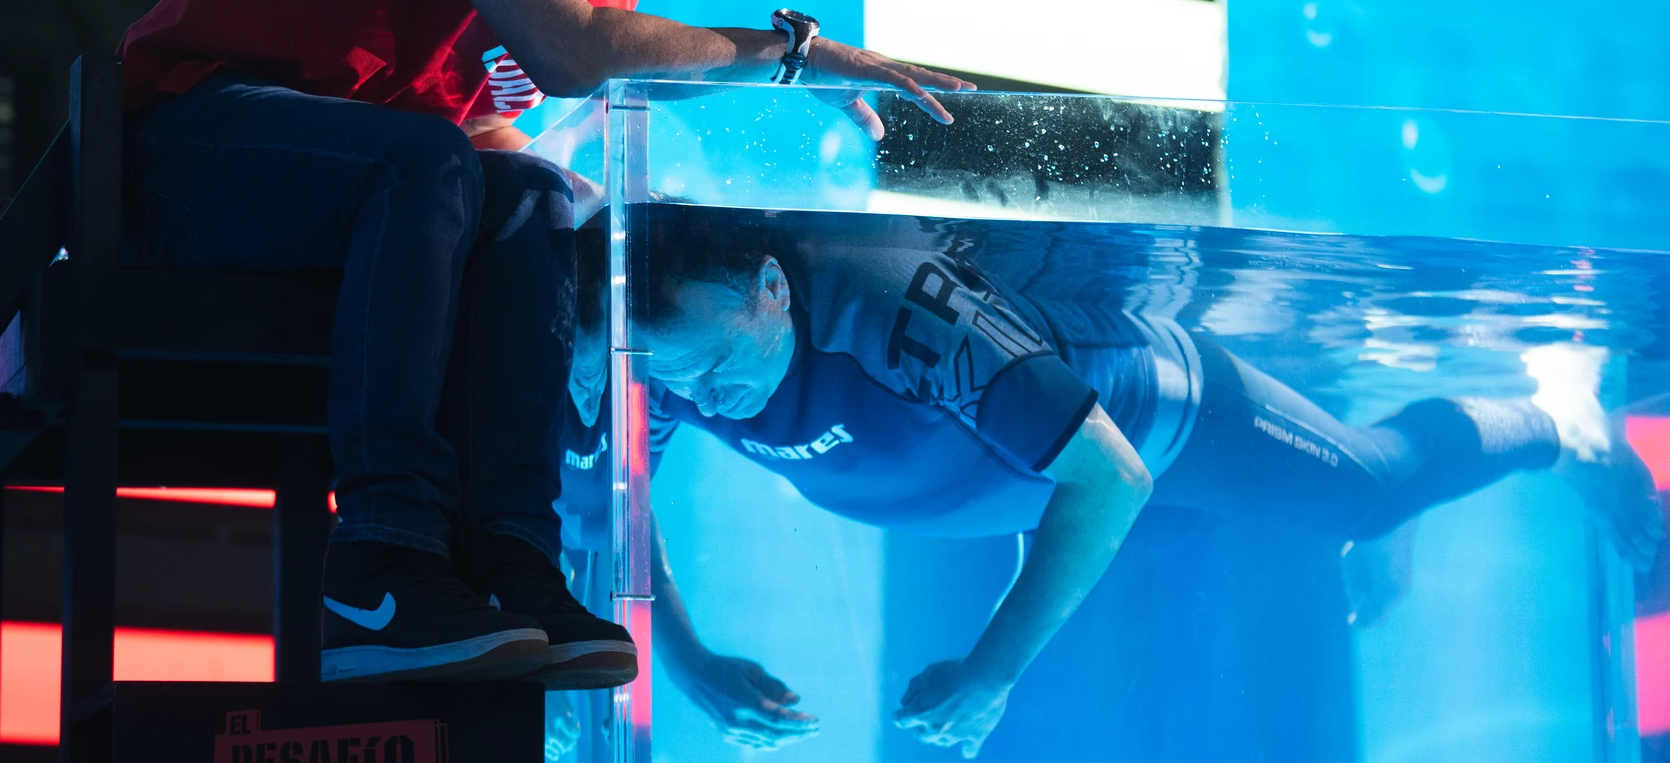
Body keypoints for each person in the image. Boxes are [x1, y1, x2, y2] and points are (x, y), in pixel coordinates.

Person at [116, 0, 969, 687]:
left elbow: (488, 126)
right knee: (434, 164)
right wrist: (788, 54)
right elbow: (569, 52)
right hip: (178, 152)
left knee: (533, 194)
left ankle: (514, 556)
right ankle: (379, 558)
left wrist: (587, 224)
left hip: (345, 189)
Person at [559, 213, 1665, 755]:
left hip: (1154, 420)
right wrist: (684, 654)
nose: (705, 399)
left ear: (771, 286)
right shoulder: (661, 349)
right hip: (991, 479)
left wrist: (991, 672)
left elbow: (1110, 479)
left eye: (718, 365)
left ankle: (1557, 418)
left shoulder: (898, 316)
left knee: (1367, 490)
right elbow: (625, 491)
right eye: (673, 379)